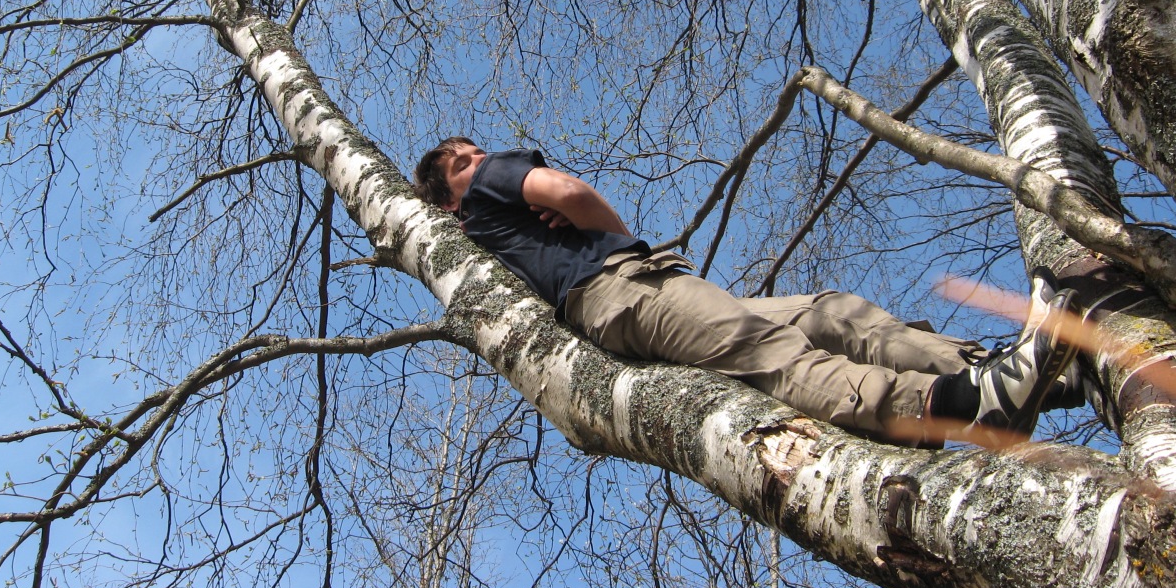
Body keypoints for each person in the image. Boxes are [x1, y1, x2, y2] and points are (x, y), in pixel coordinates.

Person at [413, 138, 1081, 446]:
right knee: (774, 355)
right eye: (463, 163)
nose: (482, 160)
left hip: (628, 298)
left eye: (476, 153)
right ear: (450, 203)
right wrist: (610, 236)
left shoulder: (486, 242)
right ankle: (961, 405)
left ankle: (1008, 374)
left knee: (825, 312)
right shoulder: (491, 190)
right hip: (621, 285)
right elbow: (568, 192)